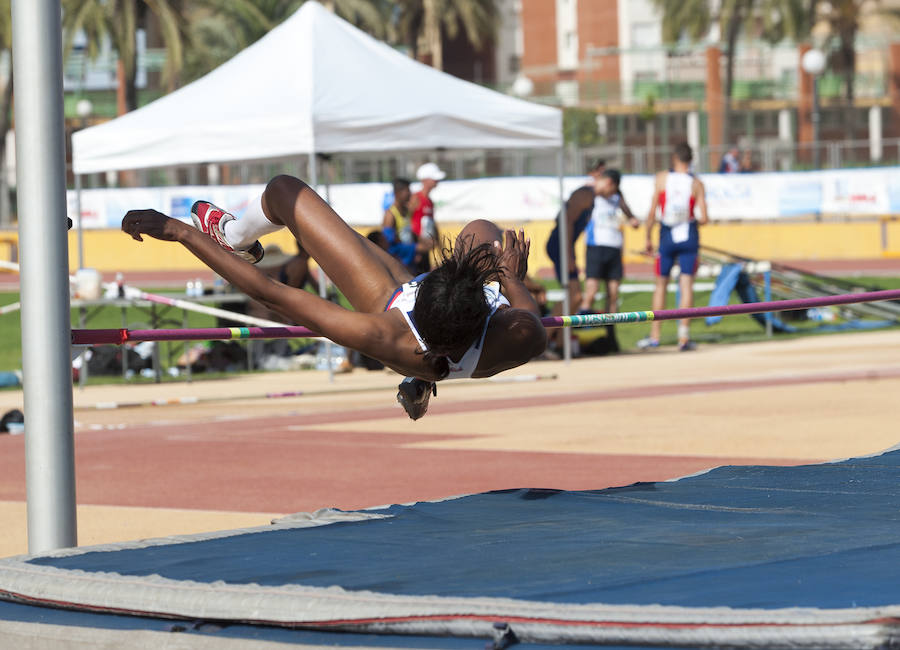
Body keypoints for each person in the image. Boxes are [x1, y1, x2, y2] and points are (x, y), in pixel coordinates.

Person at [121, 175, 547, 420]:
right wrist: (510, 278)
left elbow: (268, 293)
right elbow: (527, 313)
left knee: (285, 192)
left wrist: (181, 232)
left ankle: (231, 236)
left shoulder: (383, 333)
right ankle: (421, 379)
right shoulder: (519, 333)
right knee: (481, 230)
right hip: (450, 325)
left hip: (391, 303)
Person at [639, 142, 709, 352]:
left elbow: (652, 213)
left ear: (675, 158)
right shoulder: (696, 183)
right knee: (686, 285)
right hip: (688, 236)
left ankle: (654, 337)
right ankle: (683, 338)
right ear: (691, 160)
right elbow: (705, 218)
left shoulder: (662, 178)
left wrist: (647, 238)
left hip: (667, 236)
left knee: (661, 284)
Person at [544, 159, 605, 354]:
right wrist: (570, 256)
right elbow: (567, 223)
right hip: (560, 245)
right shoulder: (584, 194)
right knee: (574, 295)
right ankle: (542, 341)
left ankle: (561, 343)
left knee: (575, 298)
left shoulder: (592, 196)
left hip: (564, 245)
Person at [578, 168, 640, 352]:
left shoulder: (617, 196)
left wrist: (633, 219)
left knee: (613, 293)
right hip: (596, 247)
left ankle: (611, 334)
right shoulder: (591, 193)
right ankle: (579, 330)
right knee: (592, 290)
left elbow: (628, 212)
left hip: (614, 248)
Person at [382, 177, 431, 272]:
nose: (410, 194)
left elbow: (408, 231)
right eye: (407, 191)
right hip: (399, 252)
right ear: (397, 193)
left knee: (428, 245)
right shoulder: (390, 214)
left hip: (409, 251)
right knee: (425, 248)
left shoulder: (407, 211)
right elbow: (389, 240)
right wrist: (413, 249)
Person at [409, 162, 443, 273]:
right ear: (425, 180)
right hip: (416, 248)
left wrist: (439, 245)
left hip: (426, 247)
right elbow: (407, 224)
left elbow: (432, 224)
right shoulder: (415, 198)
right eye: (434, 178)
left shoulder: (429, 202)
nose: (437, 181)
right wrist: (415, 246)